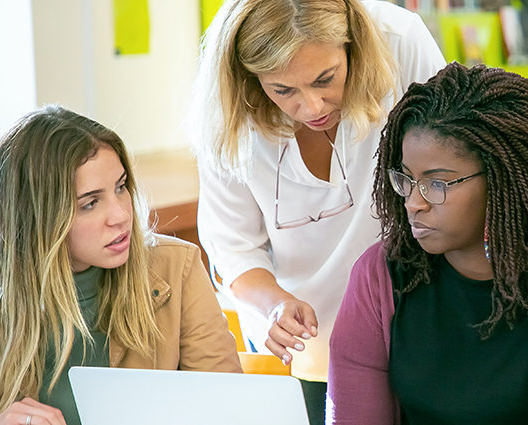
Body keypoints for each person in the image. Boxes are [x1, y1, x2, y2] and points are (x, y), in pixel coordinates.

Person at [327, 62, 528, 424]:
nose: (413, 202)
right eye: (406, 178)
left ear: (503, 181)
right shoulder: (379, 276)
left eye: (436, 183)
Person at [188, 0, 445, 422]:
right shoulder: (229, 110)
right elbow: (234, 249)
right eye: (283, 91)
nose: (312, 108)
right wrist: (274, 305)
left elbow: (452, 163)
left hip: (416, 321)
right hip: (300, 348)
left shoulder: (399, 42)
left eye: (325, 79)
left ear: (352, 48)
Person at [0, 106, 241, 425]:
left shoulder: (177, 267)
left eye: (120, 187)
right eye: (90, 203)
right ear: (38, 220)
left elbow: (229, 410)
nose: (121, 215)